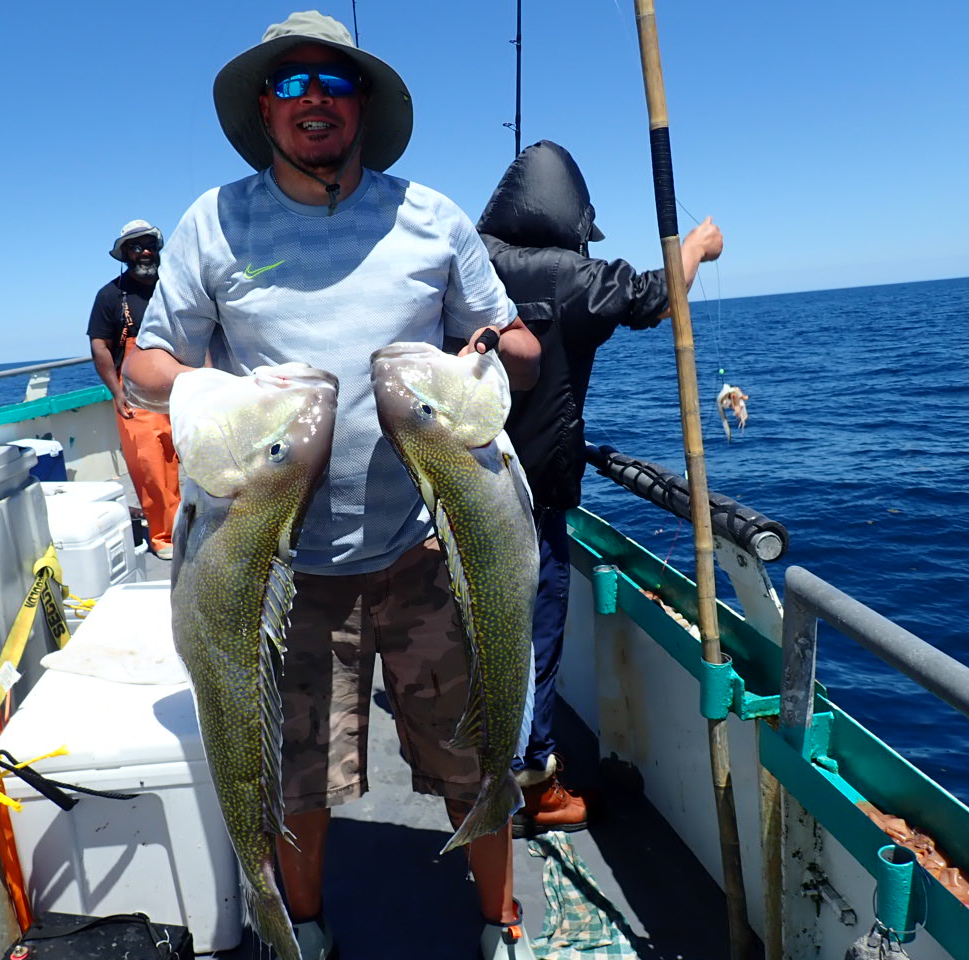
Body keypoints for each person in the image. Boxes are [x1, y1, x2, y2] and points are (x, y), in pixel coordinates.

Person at [123, 12, 543, 959]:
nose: (314, 98)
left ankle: (499, 923)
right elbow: (147, 363)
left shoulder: (431, 218)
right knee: (297, 772)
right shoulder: (213, 222)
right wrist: (201, 384)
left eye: (335, 84)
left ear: (362, 107)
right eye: (290, 84)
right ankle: (300, 930)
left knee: (473, 749)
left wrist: (498, 350)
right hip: (280, 567)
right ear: (264, 109)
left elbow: (513, 344)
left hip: (429, 548)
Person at [476, 140, 723, 836]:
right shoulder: (576, 278)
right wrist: (699, 245)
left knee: (479, 638)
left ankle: (477, 766)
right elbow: (654, 295)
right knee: (535, 643)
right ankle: (533, 784)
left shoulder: (466, 265)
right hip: (537, 503)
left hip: (461, 501)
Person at [87, 220, 181, 560]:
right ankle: (164, 536)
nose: (144, 251)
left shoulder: (175, 286)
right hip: (137, 396)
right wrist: (117, 391)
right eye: (136, 246)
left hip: (183, 385)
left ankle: (196, 526)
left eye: (149, 245)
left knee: (197, 460)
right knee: (152, 467)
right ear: (125, 253)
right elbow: (100, 346)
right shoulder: (110, 295)